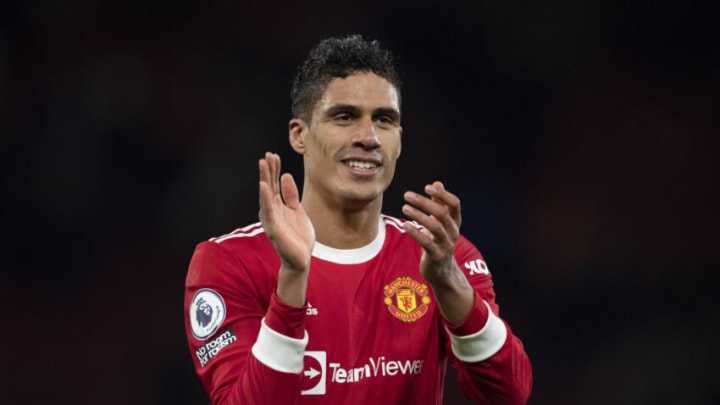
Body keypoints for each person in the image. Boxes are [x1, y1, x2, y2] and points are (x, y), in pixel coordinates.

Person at [184, 34, 532, 404]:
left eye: (384, 120)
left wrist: (448, 283)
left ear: (399, 140)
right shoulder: (228, 263)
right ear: (299, 135)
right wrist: (292, 281)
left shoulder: (440, 256)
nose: (369, 138)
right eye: (345, 117)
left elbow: (508, 396)